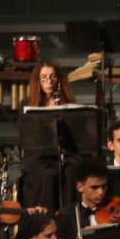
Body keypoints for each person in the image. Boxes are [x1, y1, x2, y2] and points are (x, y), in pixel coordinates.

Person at [18, 59, 78, 213]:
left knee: (72, 171)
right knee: (49, 174)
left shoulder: (67, 102)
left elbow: (74, 136)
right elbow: (25, 138)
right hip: (38, 157)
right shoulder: (27, 104)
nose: (49, 81)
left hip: (63, 154)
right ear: (37, 81)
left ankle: (70, 218)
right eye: (44, 77)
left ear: (58, 79)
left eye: (52, 77)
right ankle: (47, 219)